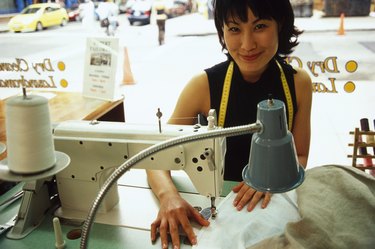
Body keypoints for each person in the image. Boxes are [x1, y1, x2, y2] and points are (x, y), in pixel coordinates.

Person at [146, 0, 313, 248]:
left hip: (271, 203)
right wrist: (168, 196)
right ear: (222, 32)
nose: (247, 44)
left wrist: (272, 179)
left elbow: (299, 154)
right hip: (223, 208)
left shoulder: (298, 83)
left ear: (281, 26)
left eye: (260, 26)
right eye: (234, 29)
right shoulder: (202, 86)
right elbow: (156, 155)